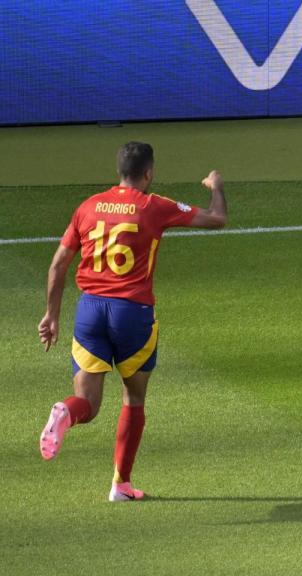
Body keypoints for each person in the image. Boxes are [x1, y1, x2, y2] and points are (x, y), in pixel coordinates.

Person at [37, 141, 228, 501]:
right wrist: (215, 185)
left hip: (90, 310)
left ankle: (65, 412)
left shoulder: (88, 206)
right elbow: (217, 219)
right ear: (149, 173)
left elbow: (58, 263)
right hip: (132, 314)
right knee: (134, 397)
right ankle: (121, 485)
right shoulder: (155, 206)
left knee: (87, 405)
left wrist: (51, 314)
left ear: (118, 172)